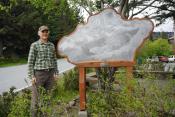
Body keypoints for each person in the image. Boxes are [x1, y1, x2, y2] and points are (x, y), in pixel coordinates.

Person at [27, 25, 58, 117]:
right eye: (43, 31)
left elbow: (54, 60)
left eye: (46, 31)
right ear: (39, 33)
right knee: (35, 100)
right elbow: (30, 62)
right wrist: (31, 76)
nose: (45, 33)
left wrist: (56, 73)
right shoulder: (34, 45)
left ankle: (45, 115)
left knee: (48, 98)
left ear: (48, 33)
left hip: (50, 74)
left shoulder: (51, 45)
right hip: (39, 75)